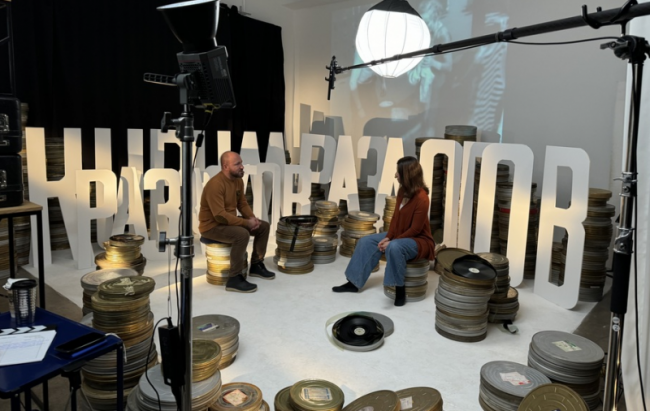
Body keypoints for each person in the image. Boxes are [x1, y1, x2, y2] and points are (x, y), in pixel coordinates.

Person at [332, 156, 435, 306]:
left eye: (398, 172)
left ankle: (399, 289)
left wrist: (393, 241)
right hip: (400, 234)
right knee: (366, 241)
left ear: (407, 174)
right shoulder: (402, 191)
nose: (395, 175)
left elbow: (416, 229)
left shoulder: (422, 198)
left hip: (419, 240)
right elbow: (395, 219)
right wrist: (389, 237)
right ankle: (353, 283)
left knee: (394, 246)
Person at [198, 151, 275, 293]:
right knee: (241, 234)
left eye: (241, 163)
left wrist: (253, 219)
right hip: (212, 226)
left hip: (227, 222)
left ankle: (256, 265)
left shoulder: (238, 180)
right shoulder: (215, 184)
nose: (242, 166)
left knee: (263, 226)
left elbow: (242, 204)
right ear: (225, 166)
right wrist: (245, 223)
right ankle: (234, 278)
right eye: (237, 164)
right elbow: (220, 216)